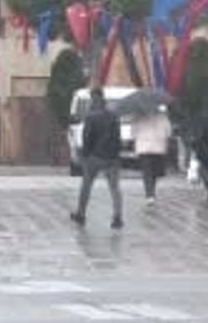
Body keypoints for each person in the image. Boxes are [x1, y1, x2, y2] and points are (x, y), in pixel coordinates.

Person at [71, 88, 124, 229]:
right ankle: (117, 216)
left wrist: (85, 154)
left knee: (86, 185)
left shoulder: (91, 117)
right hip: (112, 157)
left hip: (95, 157)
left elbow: (87, 138)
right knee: (114, 188)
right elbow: (118, 138)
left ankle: (81, 214)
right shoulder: (113, 116)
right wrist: (116, 154)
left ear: (94, 98)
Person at [134, 105, 172, 205]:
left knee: (147, 172)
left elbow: (133, 133)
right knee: (154, 173)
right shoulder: (163, 118)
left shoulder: (139, 117)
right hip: (158, 148)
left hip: (143, 148)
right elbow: (168, 132)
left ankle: (149, 194)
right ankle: (151, 193)